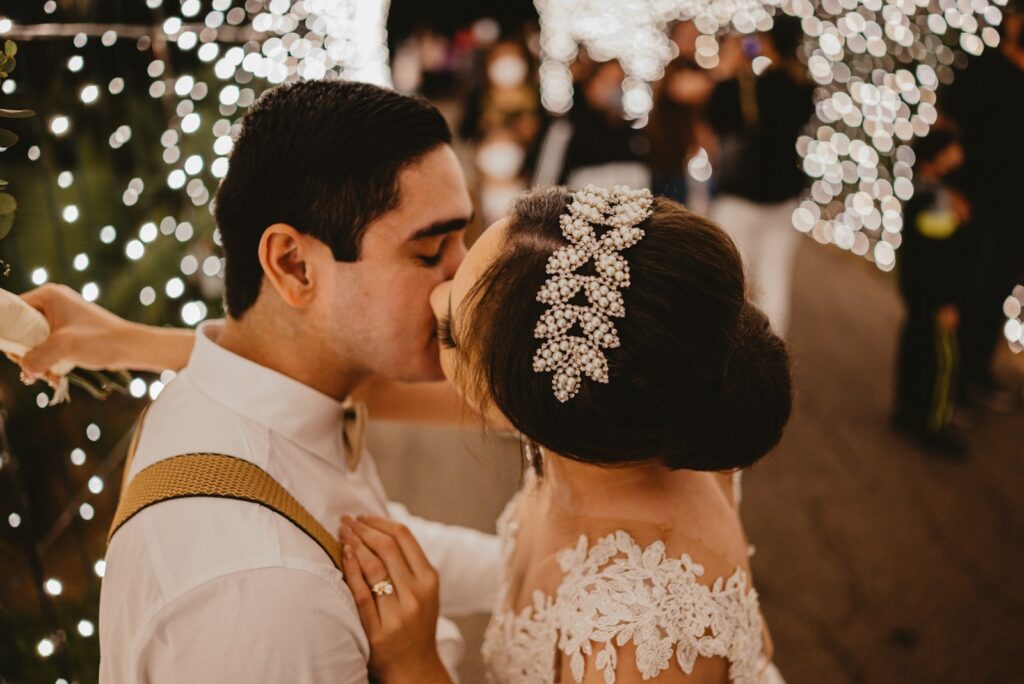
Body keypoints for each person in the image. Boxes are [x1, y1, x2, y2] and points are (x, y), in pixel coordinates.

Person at [15, 80, 501, 683]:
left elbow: (361, 533)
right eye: (430, 253)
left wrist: (535, 566)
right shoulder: (266, 594)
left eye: (464, 240)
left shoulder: (264, 396)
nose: (465, 281)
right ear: (294, 265)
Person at [338, 186, 791, 683]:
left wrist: (414, 664)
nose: (434, 294)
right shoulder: (639, 421)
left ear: (525, 409)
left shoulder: (641, 637)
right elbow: (369, 389)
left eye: (451, 336)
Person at [705, 17, 815, 338]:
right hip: (783, 197)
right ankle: (769, 353)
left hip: (742, 195)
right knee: (774, 281)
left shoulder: (748, 87)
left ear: (769, 42)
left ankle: (717, 346)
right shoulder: (802, 88)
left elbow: (717, 118)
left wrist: (731, 65)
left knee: (725, 274)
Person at [942, 0, 1024, 412]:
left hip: (1016, 211)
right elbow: (948, 130)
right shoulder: (986, 70)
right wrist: (949, 188)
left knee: (997, 296)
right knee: (968, 293)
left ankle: (977, 374)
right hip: (976, 205)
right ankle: (951, 386)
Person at [892, 129, 971, 458]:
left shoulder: (928, 193)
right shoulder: (933, 202)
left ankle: (905, 412)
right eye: (953, 149)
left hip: (919, 292)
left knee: (915, 346)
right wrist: (947, 301)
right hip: (935, 296)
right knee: (943, 360)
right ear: (938, 158)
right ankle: (934, 423)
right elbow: (938, 253)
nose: (960, 154)